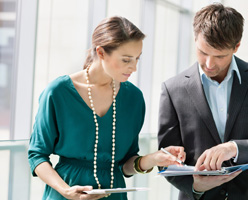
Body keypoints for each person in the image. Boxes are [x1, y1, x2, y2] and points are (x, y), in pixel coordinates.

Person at [28, 16, 185, 200]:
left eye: (137, 59)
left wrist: (153, 159)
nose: (134, 67)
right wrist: (65, 190)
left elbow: (126, 165)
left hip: (113, 194)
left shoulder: (133, 98)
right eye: (126, 60)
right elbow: (37, 155)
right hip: (66, 193)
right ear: (101, 52)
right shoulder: (58, 92)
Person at [157, 3, 248, 200]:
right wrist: (196, 185)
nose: (210, 64)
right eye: (203, 52)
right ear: (195, 40)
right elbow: (166, 159)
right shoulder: (173, 89)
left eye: (220, 56)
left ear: (236, 46)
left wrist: (234, 148)